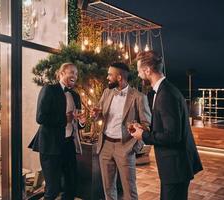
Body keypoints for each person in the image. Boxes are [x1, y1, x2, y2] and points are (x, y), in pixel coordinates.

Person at [131, 51, 203, 200]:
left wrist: (143, 136)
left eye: (139, 71)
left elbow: (172, 136)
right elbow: (168, 128)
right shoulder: (166, 89)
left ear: (147, 70)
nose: (138, 75)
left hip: (175, 167)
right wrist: (147, 129)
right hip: (174, 166)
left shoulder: (166, 94)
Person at [90, 62, 151, 200]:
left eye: (110, 75)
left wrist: (134, 147)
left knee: (129, 190)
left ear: (119, 77)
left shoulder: (139, 97)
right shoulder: (106, 92)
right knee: (108, 187)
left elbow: (146, 125)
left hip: (125, 147)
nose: (107, 77)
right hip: (105, 145)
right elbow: (100, 113)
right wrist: (95, 115)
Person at [28, 63, 86, 200]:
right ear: (61, 73)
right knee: (53, 189)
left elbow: (76, 121)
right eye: (71, 72)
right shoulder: (49, 89)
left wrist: (82, 121)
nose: (75, 76)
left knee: (71, 186)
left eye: (76, 74)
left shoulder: (75, 95)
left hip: (68, 145)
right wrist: (64, 119)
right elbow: (40, 117)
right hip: (50, 145)